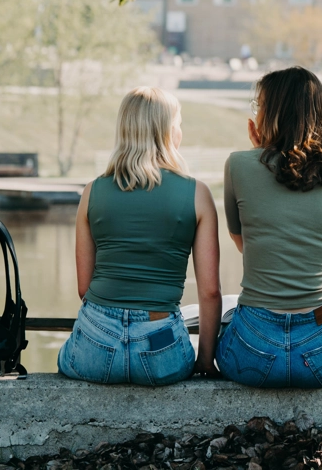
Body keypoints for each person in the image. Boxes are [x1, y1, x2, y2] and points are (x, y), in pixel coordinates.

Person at [59, 87, 222, 385]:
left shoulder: (92, 192)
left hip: (96, 344)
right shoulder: (198, 194)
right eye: (180, 123)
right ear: (169, 131)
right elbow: (210, 292)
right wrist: (205, 359)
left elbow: (85, 287)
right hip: (161, 349)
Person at [217, 67, 322, 389]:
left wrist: (256, 153)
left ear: (271, 113)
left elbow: (246, 242)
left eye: (260, 104)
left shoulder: (238, 165)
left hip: (253, 349)